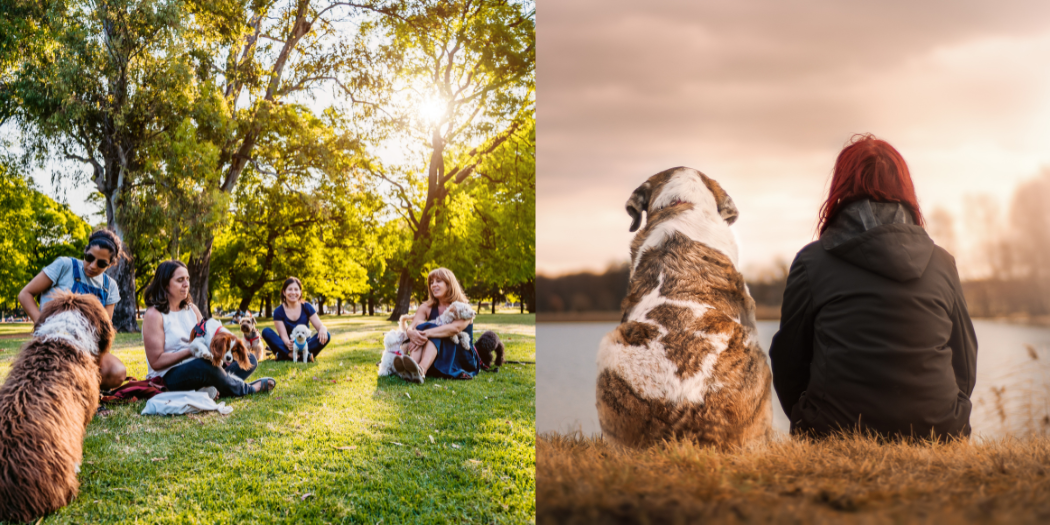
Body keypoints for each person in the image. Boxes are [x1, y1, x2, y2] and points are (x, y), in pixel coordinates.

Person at [769, 134, 977, 440]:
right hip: (939, 430)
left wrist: (807, 418)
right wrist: (948, 413)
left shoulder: (812, 262)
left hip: (833, 430)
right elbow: (965, 360)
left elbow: (788, 361)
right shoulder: (942, 263)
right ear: (905, 189)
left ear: (840, 189)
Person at [141, 260, 275, 396]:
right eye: (180, 280)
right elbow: (156, 362)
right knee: (206, 367)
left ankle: (212, 388)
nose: (186, 284)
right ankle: (248, 389)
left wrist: (222, 348)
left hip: (200, 366)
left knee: (248, 358)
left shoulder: (191, 309)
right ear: (165, 284)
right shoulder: (154, 315)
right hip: (169, 376)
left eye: (187, 279)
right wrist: (191, 351)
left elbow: (208, 337)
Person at [18, 229, 128, 390]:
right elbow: (25, 294)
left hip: (85, 347)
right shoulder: (64, 265)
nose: (92, 266)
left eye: (101, 263)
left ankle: (81, 390)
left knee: (117, 372)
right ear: (85, 251)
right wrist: (41, 324)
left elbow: (104, 329)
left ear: (111, 264)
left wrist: (91, 358)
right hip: (53, 340)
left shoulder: (109, 286)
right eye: (89, 258)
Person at [399, 267, 479, 383]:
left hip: (460, 357)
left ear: (449, 284)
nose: (433, 285)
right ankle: (413, 368)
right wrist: (411, 333)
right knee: (420, 327)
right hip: (436, 356)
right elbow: (413, 325)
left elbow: (454, 329)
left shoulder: (463, 308)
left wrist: (424, 333)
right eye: (431, 282)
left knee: (430, 329)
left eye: (438, 281)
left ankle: (420, 370)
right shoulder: (426, 307)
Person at [261, 277, 330, 361]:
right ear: (284, 292)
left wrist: (323, 328)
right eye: (290, 289)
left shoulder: (307, 307)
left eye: (296, 289)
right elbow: (283, 336)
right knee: (266, 331)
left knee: (327, 335)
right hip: (287, 346)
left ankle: (285, 355)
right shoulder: (278, 311)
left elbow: (320, 326)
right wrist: (287, 343)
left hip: (305, 345)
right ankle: (292, 355)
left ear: (300, 292)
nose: (293, 292)